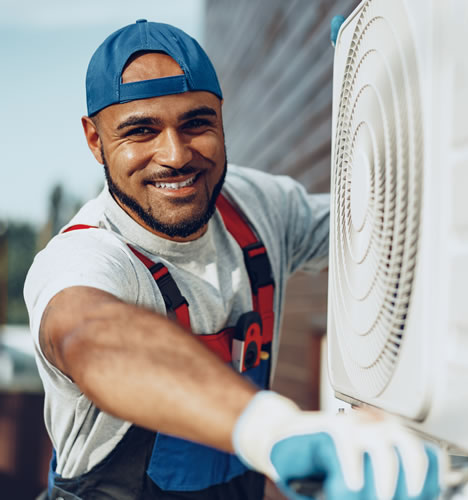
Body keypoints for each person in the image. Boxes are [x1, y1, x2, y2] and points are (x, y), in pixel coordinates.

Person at [24, 19, 440, 500]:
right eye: (141, 131)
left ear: (222, 117)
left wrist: (381, 75)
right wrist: (273, 430)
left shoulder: (259, 208)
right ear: (95, 140)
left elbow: (393, 222)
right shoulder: (86, 255)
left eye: (196, 123)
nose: (175, 155)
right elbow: (89, 335)